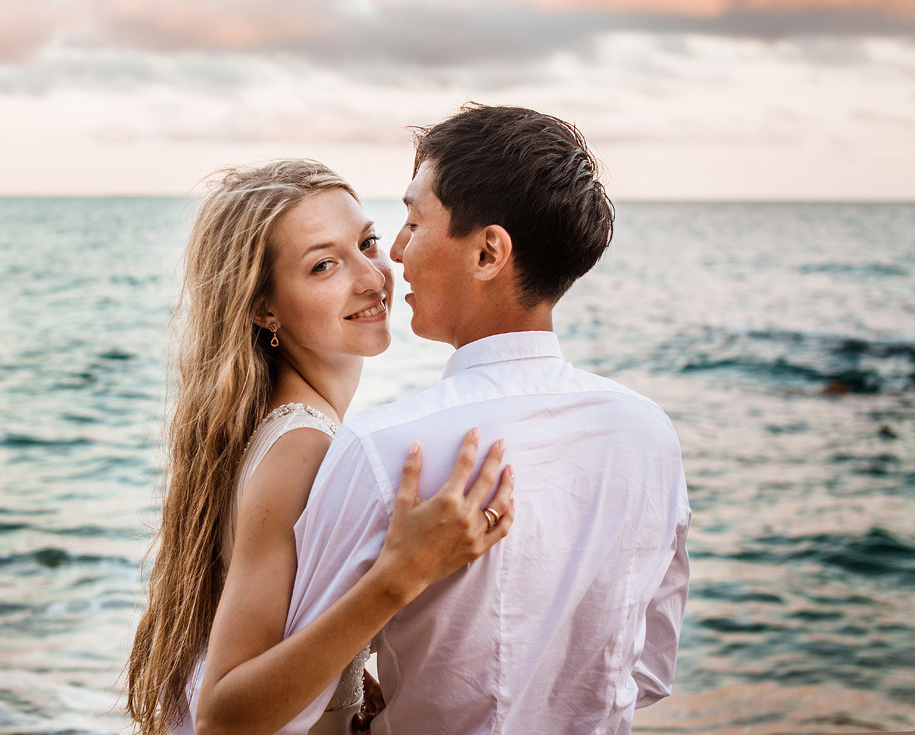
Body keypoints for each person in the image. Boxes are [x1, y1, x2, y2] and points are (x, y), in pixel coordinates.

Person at [274, 105, 692, 734]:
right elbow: (651, 674)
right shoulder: (648, 433)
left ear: (489, 251)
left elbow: (294, 705)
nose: (395, 250)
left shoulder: (386, 449)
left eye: (415, 220)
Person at [123, 159, 516, 735]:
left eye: (368, 242)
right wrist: (401, 576)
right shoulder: (302, 445)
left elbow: (278, 626)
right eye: (324, 265)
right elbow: (222, 718)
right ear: (264, 308)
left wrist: (351, 678)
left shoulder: (275, 423)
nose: (373, 277)